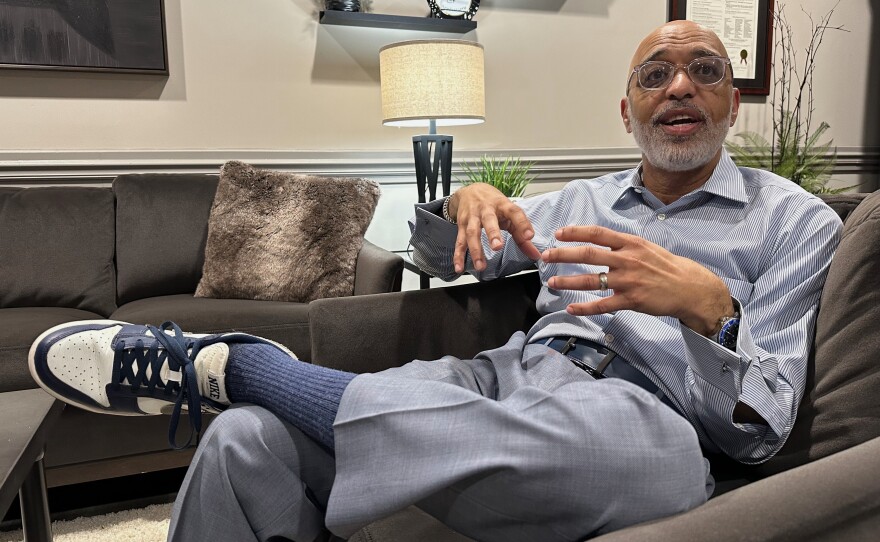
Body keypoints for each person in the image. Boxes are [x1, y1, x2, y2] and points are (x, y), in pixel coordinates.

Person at [28, 20, 841, 542]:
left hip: (646, 410)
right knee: (245, 441)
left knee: (650, 471)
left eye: (703, 68)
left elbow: (760, 427)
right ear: (624, 113)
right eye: (653, 74)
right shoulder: (579, 200)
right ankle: (259, 389)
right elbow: (464, 256)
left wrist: (716, 316)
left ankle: (253, 371)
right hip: (509, 377)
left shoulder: (794, 221)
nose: (678, 85)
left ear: (731, 102)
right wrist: (464, 204)